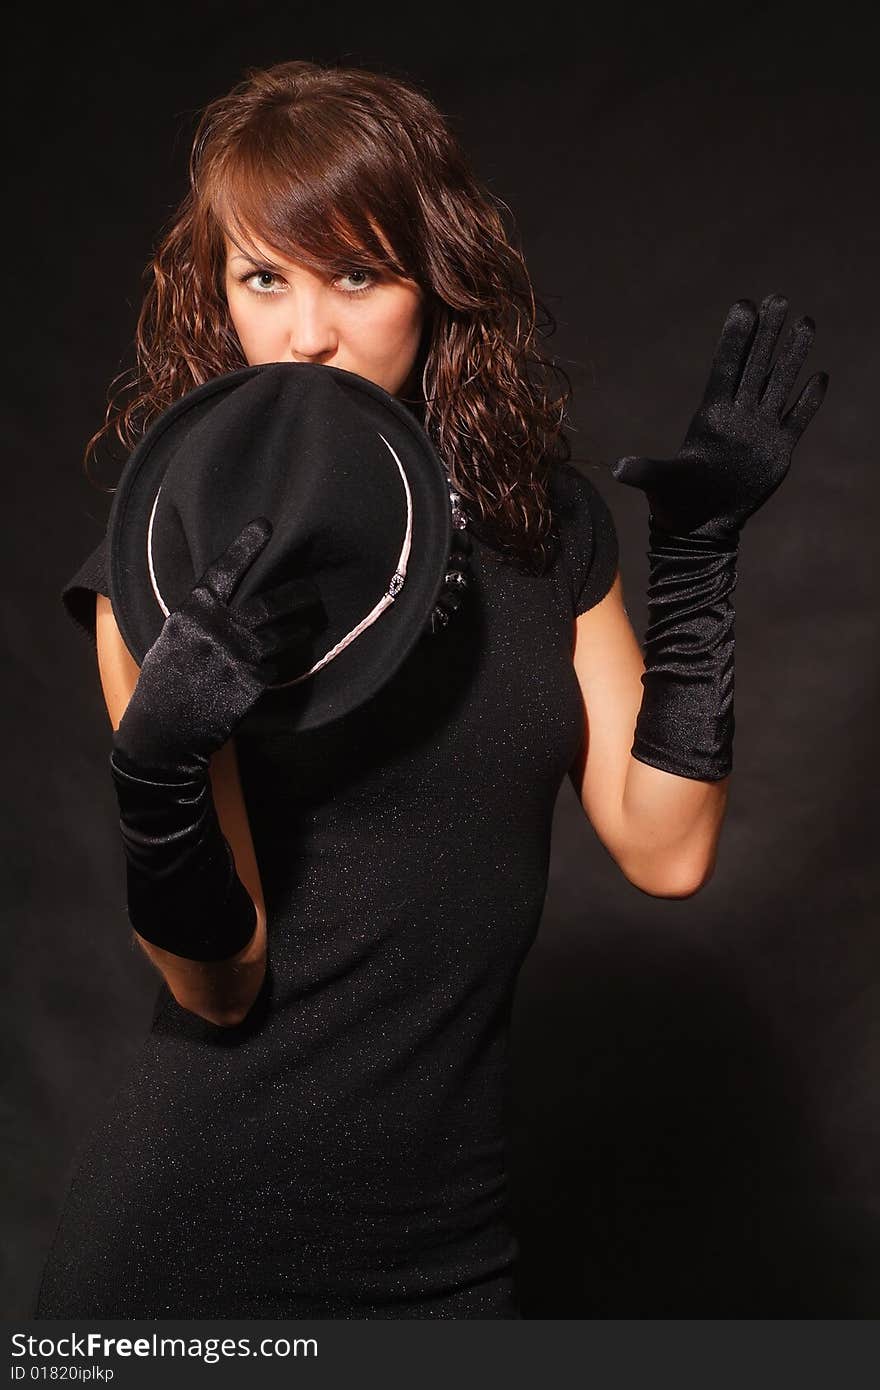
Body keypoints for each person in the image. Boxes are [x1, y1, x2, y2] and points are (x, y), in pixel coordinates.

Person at [34, 58, 828, 1320]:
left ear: (436, 279)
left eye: (356, 274)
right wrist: (157, 776)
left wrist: (696, 564)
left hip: (452, 1250)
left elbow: (665, 847)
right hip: (201, 1250)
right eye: (264, 279)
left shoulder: (542, 527)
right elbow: (217, 984)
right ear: (218, 297)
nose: (307, 332)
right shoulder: (169, 565)